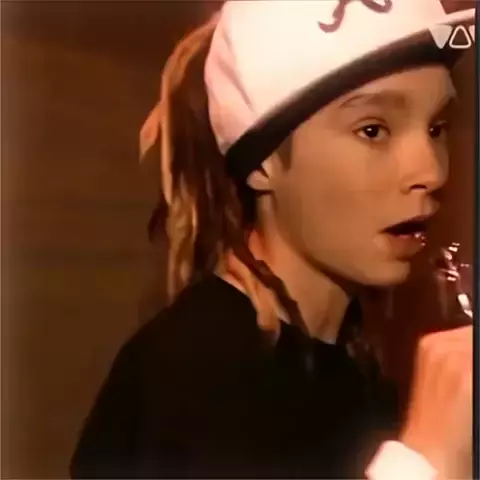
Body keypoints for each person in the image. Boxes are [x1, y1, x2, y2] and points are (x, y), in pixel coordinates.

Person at [70, 1, 475, 478]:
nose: (431, 171)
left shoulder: (355, 375)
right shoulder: (189, 377)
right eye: (373, 130)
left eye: (436, 127)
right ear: (262, 162)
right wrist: (422, 463)